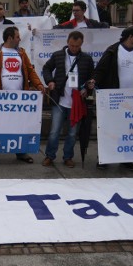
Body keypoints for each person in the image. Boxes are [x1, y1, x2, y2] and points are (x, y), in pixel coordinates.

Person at [0, 26, 45, 165]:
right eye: (17, 37)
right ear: (10, 38)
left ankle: (21, 152)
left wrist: (39, 84)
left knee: (19, 126)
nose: (20, 39)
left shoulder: (21, 53)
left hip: (20, 98)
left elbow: (30, 70)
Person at [90, 26, 133, 171]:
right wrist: (94, 81)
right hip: (115, 98)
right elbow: (101, 70)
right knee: (109, 129)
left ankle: (126, 159)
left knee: (130, 130)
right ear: (131, 37)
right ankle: (104, 158)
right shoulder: (113, 51)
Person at [41, 30, 95, 168]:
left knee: (72, 133)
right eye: (72, 45)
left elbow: (91, 78)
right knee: (54, 131)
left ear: (81, 44)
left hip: (76, 103)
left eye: (77, 46)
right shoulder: (58, 55)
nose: (74, 48)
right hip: (59, 100)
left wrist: (87, 87)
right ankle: (49, 156)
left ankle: (68, 157)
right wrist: (50, 81)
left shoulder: (87, 59)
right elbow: (46, 68)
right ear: (67, 42)